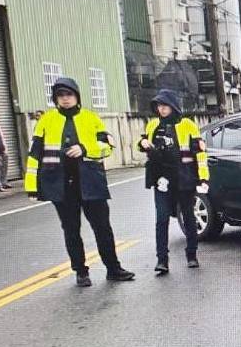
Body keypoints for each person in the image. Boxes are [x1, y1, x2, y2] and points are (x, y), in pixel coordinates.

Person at [24, 77, 135, 287]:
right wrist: (32, 187)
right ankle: (81, 271)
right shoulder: (46, 120)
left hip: (91, 181)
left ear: (76, 96)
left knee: (102, 228)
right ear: (56, 99)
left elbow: (108, 145)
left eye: (69, 95)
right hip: (61, 185)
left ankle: (113, 268)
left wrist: (85, 148)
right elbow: (34, 155)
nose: (65, 99)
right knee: (71, 229)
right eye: (60, 96)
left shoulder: (90, 118)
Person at [138, 89, 209, 274]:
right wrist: (143, 144)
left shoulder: (187, 125)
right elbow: (144, 144)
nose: (161, 109)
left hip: (184, 177)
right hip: (161, 179)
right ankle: (162, 260)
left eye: (165, 105)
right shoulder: (153, 125)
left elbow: (200, 153)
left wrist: (203, 178)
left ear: (173, 106)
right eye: (158, 106)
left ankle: (191, 255)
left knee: (188, 217)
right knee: (161, 219)